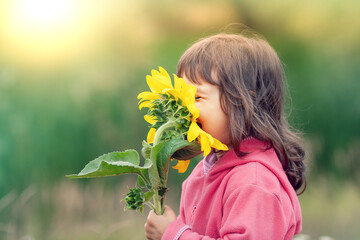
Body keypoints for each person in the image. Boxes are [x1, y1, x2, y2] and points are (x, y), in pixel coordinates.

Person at [144, 32, 306, 240]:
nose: (185, 108)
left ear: (243, 101)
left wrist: (174, 235)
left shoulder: (254, 183)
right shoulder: (207, 168)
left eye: (197, 97)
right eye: (182, 96)